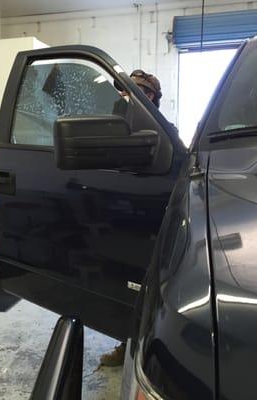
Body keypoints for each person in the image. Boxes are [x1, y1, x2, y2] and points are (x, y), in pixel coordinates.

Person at [99, 69, 162, 368]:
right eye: (125, 91)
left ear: (152, 98)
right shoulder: (111, 130)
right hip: (116, 217)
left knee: (146, 288)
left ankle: (148, 346)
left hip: (148, 222)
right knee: (120, 285)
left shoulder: (162, 132)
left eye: (139, 92)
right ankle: (126, 343)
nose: (129, 97)